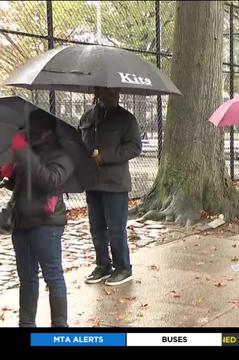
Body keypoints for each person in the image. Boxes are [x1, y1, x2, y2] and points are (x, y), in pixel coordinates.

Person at [1, 110, 74, 327]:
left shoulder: (63, 156)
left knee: (52, 276)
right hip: (21, 221)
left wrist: (26, 155)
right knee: (27, 278)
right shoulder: (27, 151)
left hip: (46, 224)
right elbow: (19, 183)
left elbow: (50, 181)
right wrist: (10, 172)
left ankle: (59, 328)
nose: (29, 135)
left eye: (34, 132)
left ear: (47, 133)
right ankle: (26, 324)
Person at [80, 87, 142, 286]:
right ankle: (103, 265)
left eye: (116, 92)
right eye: (109, 91)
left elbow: (134, 147)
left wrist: (105, 156)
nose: (114, 95)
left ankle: (123, 267)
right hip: (92, 182)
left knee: (116, 229)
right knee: (96, 228)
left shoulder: (126, 119)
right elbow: (77, 142)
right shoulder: (87, 118)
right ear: (98, 93)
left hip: (115, 183)